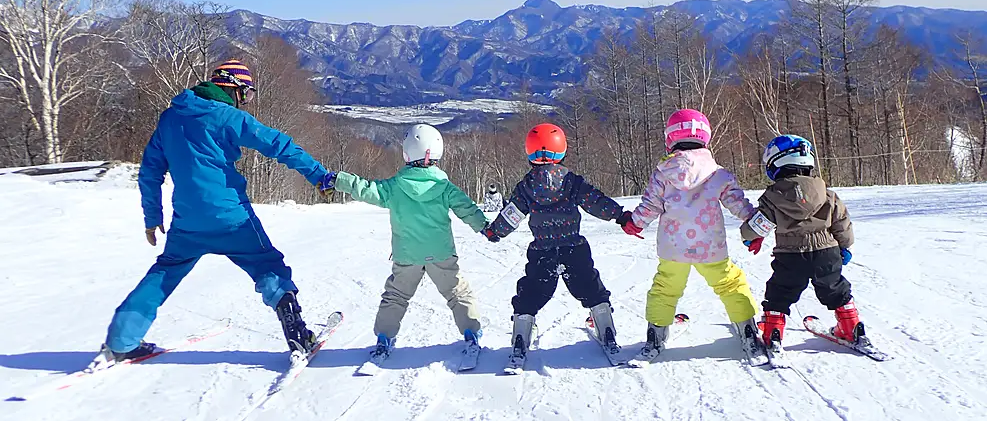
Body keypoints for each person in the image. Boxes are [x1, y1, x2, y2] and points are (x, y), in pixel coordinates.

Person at [101, 60, 330, 362]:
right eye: (246, 93)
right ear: (234, 88)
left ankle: (121, 341)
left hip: (187, 222)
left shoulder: (170, 118)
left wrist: (152, 217)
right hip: (232, 217)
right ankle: (297, 333)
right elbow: (279, 145)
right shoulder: (228, 117)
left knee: (164, 273)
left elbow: (150, 172)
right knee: (266, 264)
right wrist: (318, 175)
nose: (246, 100)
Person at [319, 124, 487, 360]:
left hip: (407, 255)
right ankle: (472, 333)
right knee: (457, 292)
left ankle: (385, 339)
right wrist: (486, 228)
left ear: (407, 152)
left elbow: (367, 189)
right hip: (441, 253)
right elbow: (467, 209)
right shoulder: (444, 187)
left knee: (396, 296)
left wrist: (340, 180)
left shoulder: (394, 187)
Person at [618, 109, 761, 358]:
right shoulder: (718, 173)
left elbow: (651, 205)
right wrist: (755, 226)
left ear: (670, 138)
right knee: (730, 283)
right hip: (711, 247)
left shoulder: (663, 173)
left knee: (665, 287)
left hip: (673, 248)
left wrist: (636, 223)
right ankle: (747, 329)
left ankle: (656, 333)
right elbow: (738, 203)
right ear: (705, 137)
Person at [484, 123, 629, 357]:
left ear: (530, 152)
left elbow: (512, 213)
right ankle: (606, 328)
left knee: (533, 289)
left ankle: (521, 333)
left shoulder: (525, 187)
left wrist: (495, 232)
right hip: (574, 247)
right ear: (562, 150)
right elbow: (595, 201)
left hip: (543, 250)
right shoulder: (571, 181)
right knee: (589, 285)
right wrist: (620, 216)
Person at [740, 135, 860, 347]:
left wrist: (752, 237)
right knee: (835, 288)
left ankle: (773, 330)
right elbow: (841, 221)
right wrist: (845, 246)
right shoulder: (827, 194)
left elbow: (756, 226)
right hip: (826, 253)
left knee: (781, 291)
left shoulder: (772, 197)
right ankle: (850, 327)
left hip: (790, 255)